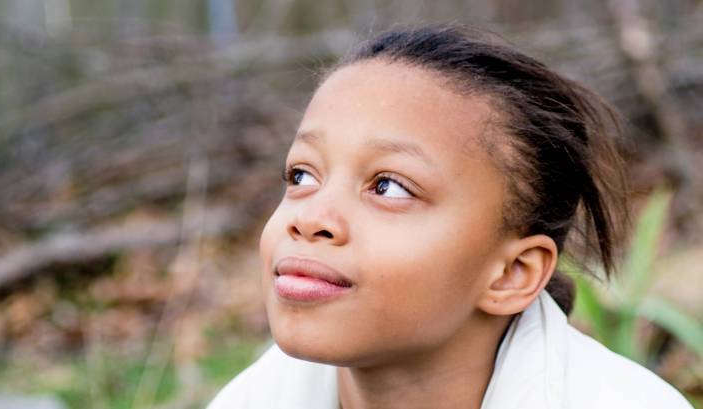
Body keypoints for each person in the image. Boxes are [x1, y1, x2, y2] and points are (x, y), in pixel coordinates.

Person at [206, 23, 694, 409]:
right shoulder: (254, 398)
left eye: (389, 186)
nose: (310, 217)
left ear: (511, 273)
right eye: (302, 176)